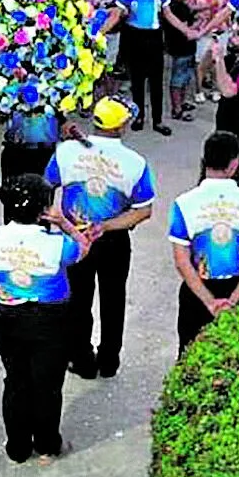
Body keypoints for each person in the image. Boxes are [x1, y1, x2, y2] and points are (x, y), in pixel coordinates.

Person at [0, 174, 93, 465]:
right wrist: (64, 223)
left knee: (16, 380)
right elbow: (83, 247)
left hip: (7, 315)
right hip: (50, 319)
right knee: (47, 384)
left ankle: (17, 446)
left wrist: (6, 287)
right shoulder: (56, 244)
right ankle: (47, 443)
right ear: (43, 209)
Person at [46, 98, 155, 378]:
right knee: (113, 298)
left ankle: (81, 359)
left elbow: (48, 186)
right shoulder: (134, 163)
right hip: (114, 239)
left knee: (77, 300)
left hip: (75, 235)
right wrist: (107, 226)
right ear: (122, 125)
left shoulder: (67, 152)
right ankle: (109, 360)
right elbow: (144, 211)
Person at [169, 131, 239, 349]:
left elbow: (182, 261)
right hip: (237, 291)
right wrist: (232, 302)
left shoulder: (184, 203)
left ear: (204, 162)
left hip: (195, 293)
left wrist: (208, 301)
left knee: (189, 358)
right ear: (235, 164)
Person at [99, 0, 179, 134]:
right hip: (135, 38)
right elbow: (115, 16)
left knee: (157, 81)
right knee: (137, 80)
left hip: (155, 38)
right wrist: (101, 32)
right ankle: (139, 116)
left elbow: (168, 15)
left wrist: (186, 30)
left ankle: (157, 120)